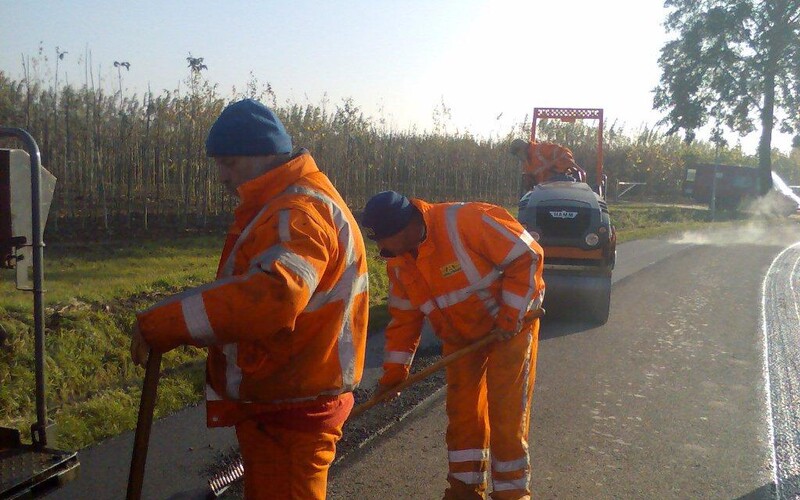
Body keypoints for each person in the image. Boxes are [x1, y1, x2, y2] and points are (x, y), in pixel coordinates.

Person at [130, 99, 369, 499]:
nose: (221, 176)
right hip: (283, 401)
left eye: (230, 163)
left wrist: (165, 323)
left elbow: (274, 295)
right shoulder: (285, 204)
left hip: (293, 407)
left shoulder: (297, 211)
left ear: (264, 156)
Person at [361, 191, 545, 500]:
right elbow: (404, 320)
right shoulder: (399, 261)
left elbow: (527, 256)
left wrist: (510, 316)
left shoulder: (466, 221)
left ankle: (512, 493)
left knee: (506, 410)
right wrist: (394, 374)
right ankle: (465, 490)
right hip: (461, 338)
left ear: (404, 228)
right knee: (462, 413)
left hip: (510, 330)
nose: (381, 250)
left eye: (383, 241)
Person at [510, 138, 583, 191]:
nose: (518, 157)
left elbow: (566, 155)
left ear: (520, 149)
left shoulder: (541, 149)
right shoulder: (527, 164)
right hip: (544, 191)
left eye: (517, 154)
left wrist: (553, 165)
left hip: (560, 185)